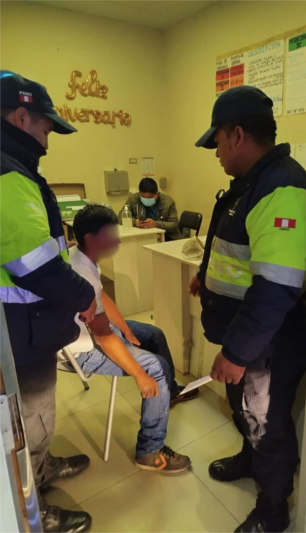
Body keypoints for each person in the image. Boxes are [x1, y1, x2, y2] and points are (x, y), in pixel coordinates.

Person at [190, 86, 306, 533]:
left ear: (238, 135)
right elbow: (240, 252)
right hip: (246, 337)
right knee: (245, 411)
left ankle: (272, 508)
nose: (216, 153)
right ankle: (249, 461)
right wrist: (205, 277)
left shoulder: (281, 188)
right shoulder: (250, 184)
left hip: (266, 341)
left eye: (217, 142)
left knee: (266, 422)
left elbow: (276, 288)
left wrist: (237, 352)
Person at [0, 71, 98, 532]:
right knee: (30, 426)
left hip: (26, 326)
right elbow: (37, 266)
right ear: (21, 116)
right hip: (21, 330)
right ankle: (35, 509)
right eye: (45, 128)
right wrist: (84, 296)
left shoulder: (13, 169)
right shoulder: (8, 173)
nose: (48, 140)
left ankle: (42, 469)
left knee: (33, 423)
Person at [66, 204, 198, 471]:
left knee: (153, 334)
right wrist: (140, 374)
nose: (116, 239)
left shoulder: (80, 256)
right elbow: (103, 337)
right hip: (83, 347)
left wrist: (126, 329)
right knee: (155, 368)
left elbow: (101, 298)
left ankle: (167, 394)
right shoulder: (80, 272)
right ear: (91, 239)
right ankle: (149, 450)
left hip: (95, 331)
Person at [118, 177, 183, 240]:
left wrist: (155, 224)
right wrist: (135, 222)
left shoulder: (168, 202)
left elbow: (174, 225)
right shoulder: (133, 199)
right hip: (143, 236)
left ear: (157, 194)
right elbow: (120, 217)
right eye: (143, 197)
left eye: (150, 197)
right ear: (139, 194)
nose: (146, 199)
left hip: (167, 236)